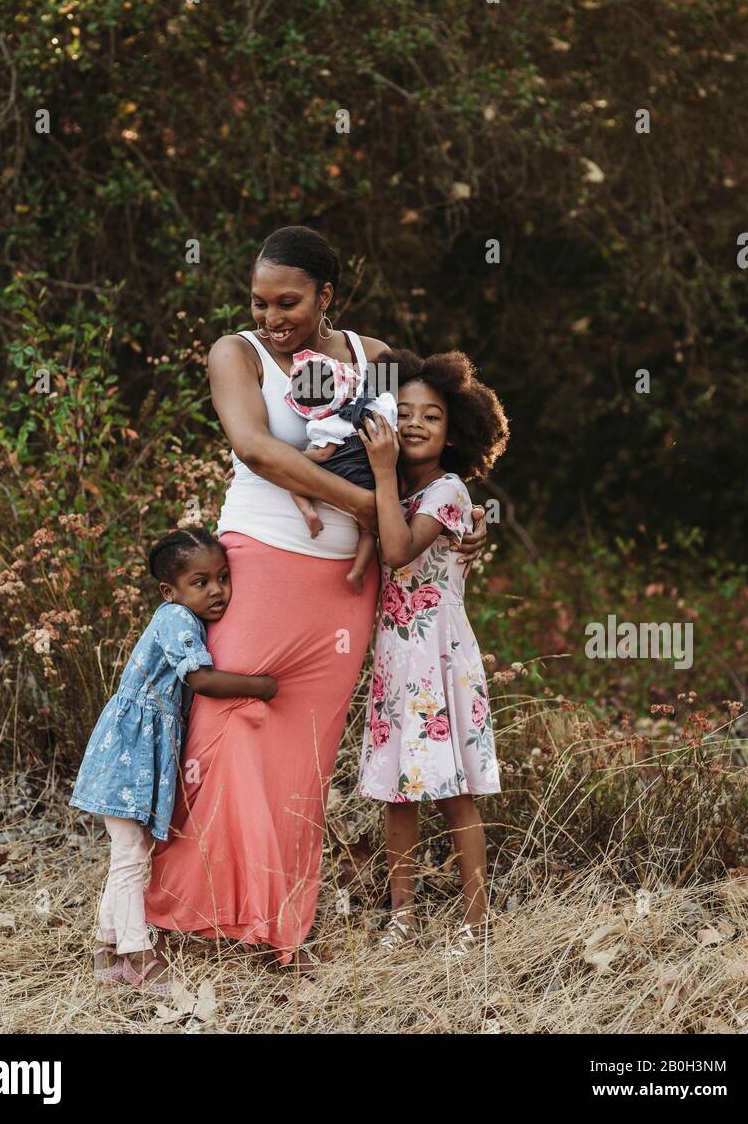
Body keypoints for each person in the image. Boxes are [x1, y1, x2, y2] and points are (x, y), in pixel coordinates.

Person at [143, 226, 489, 968]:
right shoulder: (234, 353)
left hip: (348, 588)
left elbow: (419, 450)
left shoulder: (375, 359)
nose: (272, 316)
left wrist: (463, 511)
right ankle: (188, 907)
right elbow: (255, 448)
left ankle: (278, 926)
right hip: (263, 563)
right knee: (228, 727)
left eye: (289, 302)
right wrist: (368, 509)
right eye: (260, 301)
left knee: (305, 757)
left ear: (327, 295)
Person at [69, 528, 277, 995]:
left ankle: (107, 948)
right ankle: (139, 953)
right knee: (130, 856)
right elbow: (200, 680)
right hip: (130, 749)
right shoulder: (177, 619)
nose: (217, 590)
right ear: (171, 591)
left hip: (145, 749)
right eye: (200, 582)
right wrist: (261, 686)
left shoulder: (186, 617)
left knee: (133, 855)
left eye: (223, 578)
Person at [356, 348, 509, 959]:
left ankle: (476, 923)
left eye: (434, 416)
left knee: (453, 791)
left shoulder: (446, 490)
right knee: (399, 789)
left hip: (439, 657)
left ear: (455, 434)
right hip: (397, 657)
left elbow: (397, 551)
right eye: (406, 411)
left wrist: (385, 471)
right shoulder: (396, 482)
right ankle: (404, 916)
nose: (416, 424)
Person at [284, 346, 399, 592]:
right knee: (368, 530)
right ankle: (357, 572)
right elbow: (393, 425)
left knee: (294, 479)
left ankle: (308, 512)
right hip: (368, 477)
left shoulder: (327, 423)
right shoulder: (379, 406)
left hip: (335, 477)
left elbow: (324, 453)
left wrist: (300, 458)